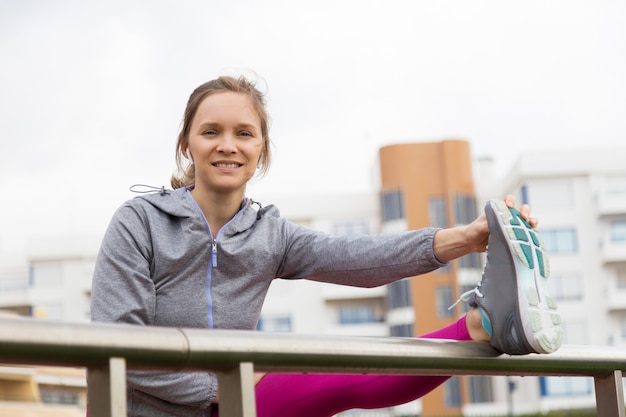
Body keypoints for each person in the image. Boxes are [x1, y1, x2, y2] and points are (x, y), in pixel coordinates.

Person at [90, 75, 562, 417]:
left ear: (262, 151)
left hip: (236, 407)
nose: (227, 145)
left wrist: (465, 238)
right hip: (156, 411)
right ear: (187, 144)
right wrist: (218, 388)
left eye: (244, 133)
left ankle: (483, 324)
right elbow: (120, 345)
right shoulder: (140, 224)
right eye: (211, 131)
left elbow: (356, 259)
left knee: (334, 373)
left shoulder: (268, 233)